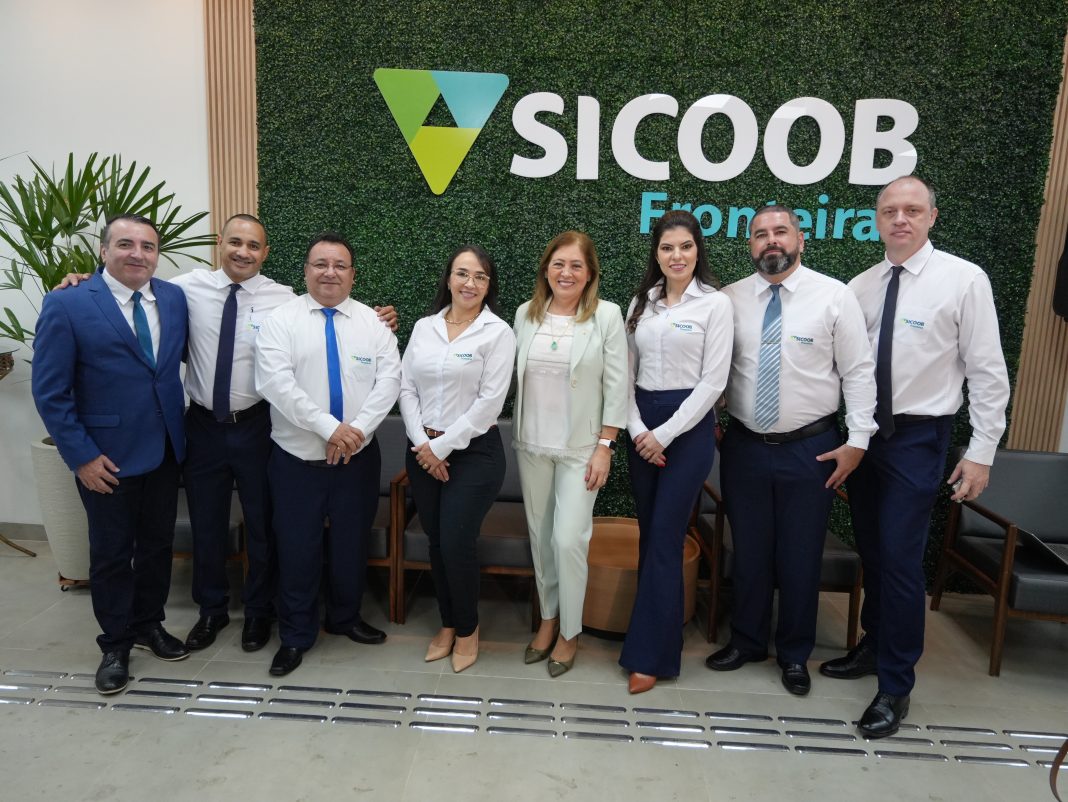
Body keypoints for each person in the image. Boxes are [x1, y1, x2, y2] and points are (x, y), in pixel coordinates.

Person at [63, 215, 398, 654]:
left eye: (254, 245)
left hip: (258, 426)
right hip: (201, 425)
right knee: (207, 524)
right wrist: (84, 281)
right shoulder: (182, 290)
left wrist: (379, 316)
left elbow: (340, 319)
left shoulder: (284, 299)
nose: (244, 251)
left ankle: (259, 612)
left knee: (263, 525)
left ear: (266, 253)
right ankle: (211, 610)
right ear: (220, 243)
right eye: (235, 242)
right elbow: (131, 286)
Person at [820, 176, 1010, 738]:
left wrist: (981, 453)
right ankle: (874, 645)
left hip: (919, 438)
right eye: (890, 211)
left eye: (912, 210)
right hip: (865, 437)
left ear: (931, 216)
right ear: (877, 220)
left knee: (902, 561)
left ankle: (896, 684)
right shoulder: (861, 286)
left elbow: (988, 372)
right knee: (874, 551)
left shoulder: (963, 280)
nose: (900, 219)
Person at [705, 205, 877, 697]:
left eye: (780, 231)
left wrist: (857, 442)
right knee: (750, 550)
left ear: (800, 240)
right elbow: (715, 368)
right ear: (750, 245)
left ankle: (795, 653)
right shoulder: (729, 299)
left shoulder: (834, 297)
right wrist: (713, 418)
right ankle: (747, 641)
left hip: (812, 448)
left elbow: (858, 373)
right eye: (760, 234)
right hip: (744, 445)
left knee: (801, 556)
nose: (771, 241)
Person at [32, 214, 190, 694]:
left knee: (158, 547)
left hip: (164, 449)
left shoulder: (174, 298)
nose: (137, 254)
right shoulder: (68, 303)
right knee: (111, 554)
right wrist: (81, 456)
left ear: (157, 255)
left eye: (147, 246)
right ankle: (115, 644)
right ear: (103, 251)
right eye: (125, 244)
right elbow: (51, 392)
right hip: (105, 458)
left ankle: (148, 625)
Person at [254, 232, 401, 676]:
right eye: (320, 264)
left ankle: (345, 617)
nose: (330, 273)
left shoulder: (372, 323)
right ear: (305, 271)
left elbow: (389, 381)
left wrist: (355, 432)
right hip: (297, 461)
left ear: (353, 274)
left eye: (340, 265)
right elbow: (276, 384)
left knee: (350, 544)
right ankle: (295, 635)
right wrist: (329, 428)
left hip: (358, 459)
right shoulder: (282, 320)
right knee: (297, 548)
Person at [618, 210, 733, 694]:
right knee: (651, 535)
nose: (677, 255)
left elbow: (714, 382)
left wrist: (663, 435)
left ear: (697, 250)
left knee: (666, 537)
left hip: (687, 430)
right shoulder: (640, 303)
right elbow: (624, 374)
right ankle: (661, 635)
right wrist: (637, 429)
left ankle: (650, 657)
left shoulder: (716, 304)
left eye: (685, 246)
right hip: (641, 425)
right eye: (667, 247)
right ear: (657, 253)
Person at [513, 231, 628, 677]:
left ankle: (570, 631)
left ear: (590, 273)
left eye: (576, 265)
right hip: (532, 444)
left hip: (583, 449)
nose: (566, 273)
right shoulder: (526, 314)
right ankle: (548, 619)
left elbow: (617, 384)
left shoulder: (606, 316)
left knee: (568, 539)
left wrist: (605, 446)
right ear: (546, 269)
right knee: (541, 538)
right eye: (559, 264)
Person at [399, 246, 515, 673]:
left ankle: (467, 629)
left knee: (455, 541)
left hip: (474, 455)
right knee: (435, 541)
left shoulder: (497, 333)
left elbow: (490, 403)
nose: (470, 283)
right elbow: (406, 387)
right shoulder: (424, 327)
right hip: (422, 450)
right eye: (463, 273)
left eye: (480, 276)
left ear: (489, 285)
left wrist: (441, 448)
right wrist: (423, 445)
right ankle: (447, 623)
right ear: (448, 278)